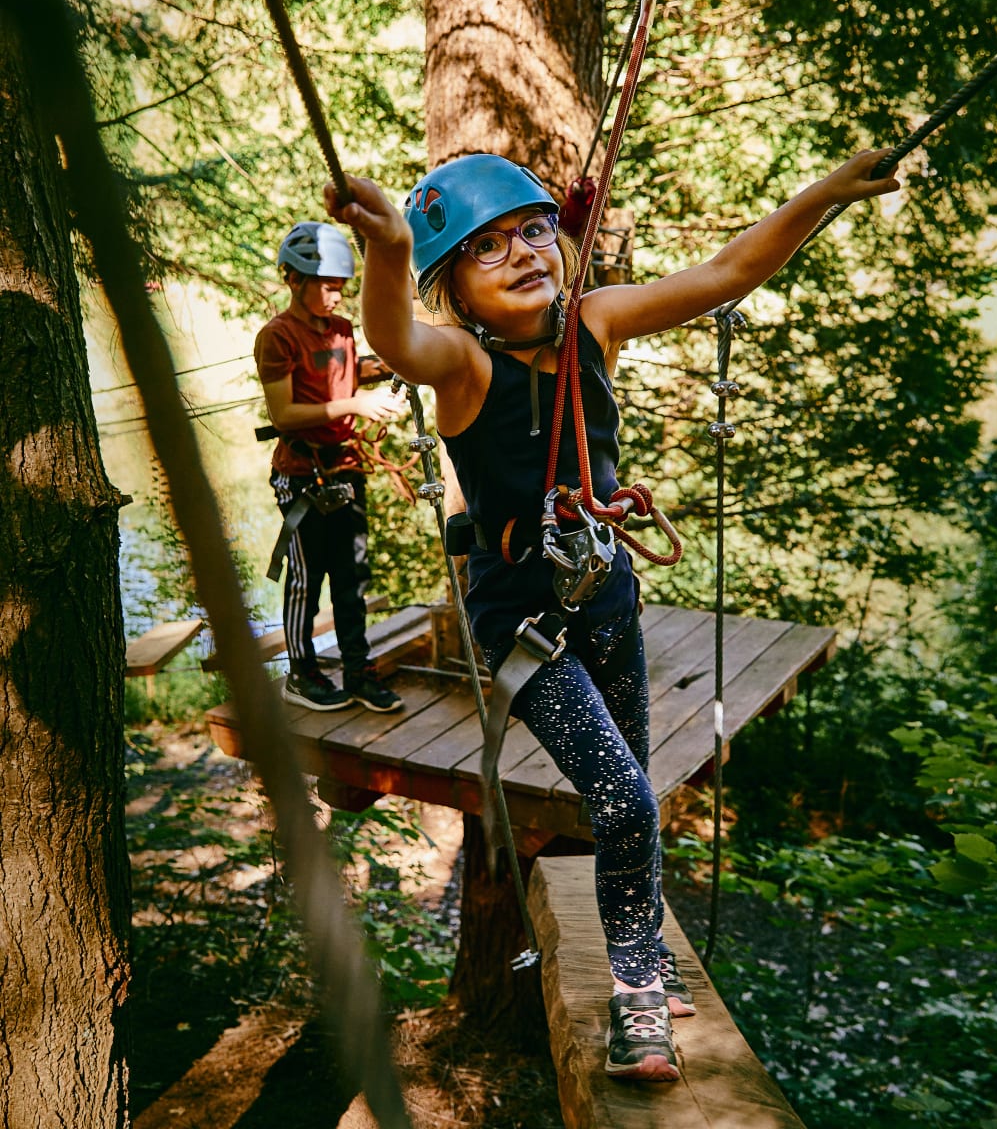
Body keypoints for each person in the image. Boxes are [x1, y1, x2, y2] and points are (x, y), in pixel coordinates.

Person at [324, 150, 900, 1080]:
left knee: (628, 796)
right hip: (525, 624)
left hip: (606, 599)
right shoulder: (464, 364)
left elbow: (727, 273)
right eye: (487, 248)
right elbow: (396, 342)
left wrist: (827, 190)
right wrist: (388, 248)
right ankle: (638, 999)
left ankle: (643, 954)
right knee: (625, 797)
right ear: (455, 291)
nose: (524, 253)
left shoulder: (596, 321)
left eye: (534, 230)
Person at [255, 221, 408, 714]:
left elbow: (344, 377)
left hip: (345, 467)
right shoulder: (277, 337)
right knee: (306, 578)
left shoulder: (342, 330)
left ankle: (359, 670)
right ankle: (301, 674)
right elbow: (284, 414)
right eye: (325, 286)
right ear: (293, 279)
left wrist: (390, 377)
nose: (336, 295)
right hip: (302, 474)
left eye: (340, 286)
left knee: (352, 576)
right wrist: (357, 405)